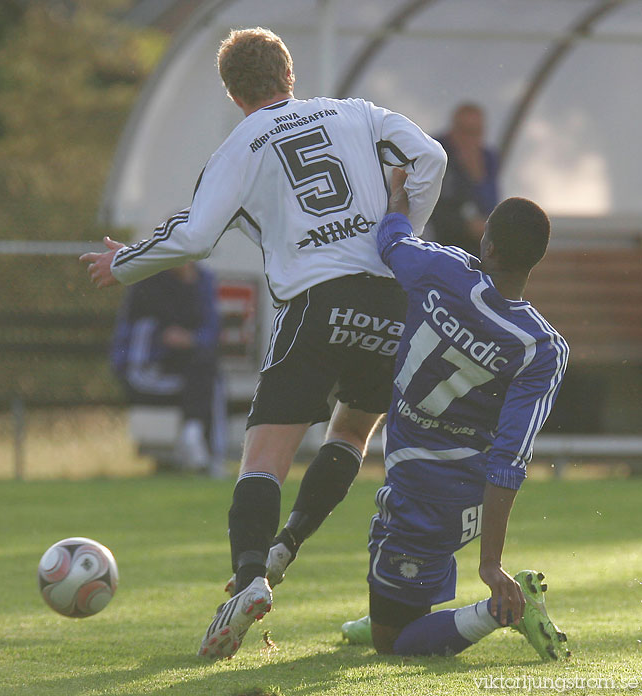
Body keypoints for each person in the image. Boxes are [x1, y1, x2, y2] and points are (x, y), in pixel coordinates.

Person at [80, 27, 447, 660]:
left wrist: (125, 264)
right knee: (352, 434)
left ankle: (250, 577)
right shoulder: (356, 113)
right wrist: (400, 236)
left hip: (315, 301)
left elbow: (195, 237)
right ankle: (288, 545)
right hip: (390, 298)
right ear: (289, 75)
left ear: (233, 92)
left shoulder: (241, 143)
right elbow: (432, 159)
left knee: (263, 457)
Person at [340, 170, 570, 661]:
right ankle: (392, 608)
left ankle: (504, 609)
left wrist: (398, 195)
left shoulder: (441, 271)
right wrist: (488, 555)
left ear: (487, 245)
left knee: (393, 645)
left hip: (423, 493)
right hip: (467, 495)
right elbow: (511, 457)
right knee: (394, 590)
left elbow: (392, 238)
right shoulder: (541, 347)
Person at [110, 263, 226, 476]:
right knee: (208, 384)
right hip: (145, 372)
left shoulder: (203, 280)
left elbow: (211, 331)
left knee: (208, 373)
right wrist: (165, 339)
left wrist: (190, 339)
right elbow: (138, 342)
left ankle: (198, 441)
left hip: (184, 368)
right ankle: (202, 447)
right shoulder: (148, 282)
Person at [429, 103, 499, 256]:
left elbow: (491, 206)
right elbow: (427, 206)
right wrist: (464, 225)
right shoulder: (434, 152)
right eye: (465, 131)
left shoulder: (487, 158)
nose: (469, 139)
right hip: (435, 242)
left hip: (471, 247)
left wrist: (478, 177)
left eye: (476, 133)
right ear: (453, 130)